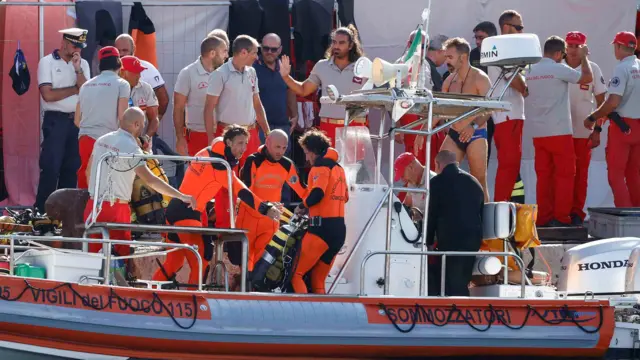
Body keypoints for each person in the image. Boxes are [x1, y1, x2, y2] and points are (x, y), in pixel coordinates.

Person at [152, 125, 282, 286]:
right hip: (186, 213)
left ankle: (147, 295)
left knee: (174, 263)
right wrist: (266, 208)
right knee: (201, 263)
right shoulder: (219, 165)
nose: (244, 148)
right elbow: (241, 190)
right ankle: (194, 303)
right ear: (228, 142)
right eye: (240, 143)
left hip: (177, 210)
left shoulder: (210, 153)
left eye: (246, 143)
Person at [83, 107, 195, 259]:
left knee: (91, 259)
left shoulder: (102, 140)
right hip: (117, 208)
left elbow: (88, 171)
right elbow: (150, 179)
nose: (144, 129)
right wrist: (181, 196)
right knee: (121, 259)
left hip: (93, 205)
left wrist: (95, 194)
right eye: (143, 125)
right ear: (136, 124)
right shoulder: (131, 147)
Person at [203, 35, 271, 231]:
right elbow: (208, 108)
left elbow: (257, 105)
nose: (257, 56)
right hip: (227, 136)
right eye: (254, 52)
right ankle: (226, 227)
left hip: (250, 134)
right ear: (243, 52)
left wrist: (267, 133)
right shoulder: (220, 74)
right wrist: (211, 140)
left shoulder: (252, 73)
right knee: (226, 184)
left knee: (252, 180)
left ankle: (250, 224)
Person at [525, 36, 592, 227]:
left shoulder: (531, 70)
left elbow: (525, 91)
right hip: (559, 130)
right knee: (565, 175)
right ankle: (561, 217)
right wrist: (585, 57)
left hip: (538, 132)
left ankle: (544, 217)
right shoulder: (558, 68)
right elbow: (587, 78)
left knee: (543, 176)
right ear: (557, 53)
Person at [418, 37, 491, 202]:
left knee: (479, 180)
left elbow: (489, 109)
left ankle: (486, 224)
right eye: (446, 57)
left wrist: (473, 125)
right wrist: (422, 131)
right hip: (455, 133)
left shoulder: (480, 78)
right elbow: (441, 110)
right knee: (441, 177)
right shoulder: (449, 80)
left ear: (463, 57)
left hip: (476, 134)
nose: (446, 62)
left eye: (450, 57)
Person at [279, 25, 367, 145]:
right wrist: (286, 77)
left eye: (341, 43)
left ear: (351, 45)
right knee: (326, 163)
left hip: (355, 127)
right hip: (328, 127)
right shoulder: (321, 66)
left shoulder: (364, 66)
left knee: (353, 164)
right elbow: (303, 90)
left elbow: (380, 90)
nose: (336, 46)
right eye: (334, 42)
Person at [34, 28, 91, 212]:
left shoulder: (82, 64)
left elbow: (86, 91)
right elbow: (48, 95)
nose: (78, 50)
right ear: (64, 42)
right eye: (75, 45)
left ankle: (65, 214)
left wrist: (77, 69)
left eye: (80, 47)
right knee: (51, 167)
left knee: (71, 168)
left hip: (76, 121)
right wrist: (74, 89)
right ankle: (42, 211)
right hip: (55, 120)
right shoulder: (47, 62)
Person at [583, 31, 640, 207]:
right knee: (634, 174)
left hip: (623, 128)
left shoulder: (622, 69)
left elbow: (612, 102)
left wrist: (592, 116)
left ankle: (625, 215)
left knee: (616, 174)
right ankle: (637, 216)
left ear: (618, 47)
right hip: (637, 127)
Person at [238, 129, 307, 270]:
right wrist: (265, 205)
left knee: (262, 264)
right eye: (277, 147)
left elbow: (302, 190)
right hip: (249, 218)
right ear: (267, 142)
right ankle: (244, 287)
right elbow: (246, 191)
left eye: (284, 148)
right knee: (244, 262)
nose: (280, 152)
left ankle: (256, 288)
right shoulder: (253, 160)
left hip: (270, 221)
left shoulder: (286, 164)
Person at [291, 130, 348, 294]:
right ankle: (323, 316)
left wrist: (302, 206)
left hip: (320, 230)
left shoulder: (319, 168)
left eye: (307, 153)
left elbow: (317, 194)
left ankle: (304, 315)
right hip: (339, 231)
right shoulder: (339, 169)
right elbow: (345, 197)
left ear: (313, 151)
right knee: (318, 279)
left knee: (296, 274)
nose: (306, 158)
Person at [426, 150, 484, 296]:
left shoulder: (436, 183)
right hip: (472, 240)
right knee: (463, 279)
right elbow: (481, 212)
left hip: (451, 240)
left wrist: (428, 241)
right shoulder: (474, 182)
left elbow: (431, 214)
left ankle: (458, 313)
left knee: (452, 282)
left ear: (438, 164)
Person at [563, 32, 606, 225]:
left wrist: (597, 130)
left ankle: (576, 213)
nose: (572, 49)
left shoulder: (593, 69)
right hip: (559, 131)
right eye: (570, 45)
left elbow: (601, 102)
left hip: (582, 133)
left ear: (584, 48)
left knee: (580, 175)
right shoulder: (558, 67)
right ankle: (560, 212)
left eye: (577, 46)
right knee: (561, 173)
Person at [75, 46, 130, 190]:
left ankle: (84, 209)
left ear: (100, 64)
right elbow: (123, 118)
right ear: (119, 62)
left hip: (85, 138)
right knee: (107, 182)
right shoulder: (122, 84)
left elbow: (77, 120)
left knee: (86, 178)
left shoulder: (86, 85)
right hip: (108, 140)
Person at [488, 10, 528, 203]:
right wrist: (525, 87)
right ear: (506, 27)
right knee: (508, 166)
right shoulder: (503, 47)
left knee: (510, 166)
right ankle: (500, 210)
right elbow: (517, 82)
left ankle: (505, 212)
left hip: (507, 114)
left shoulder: (500, 47)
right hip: (508, 114)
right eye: (518, 27)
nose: (521, 31)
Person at [174, 36, 229, 157]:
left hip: (223, 134)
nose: (227, 55)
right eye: (224, 51)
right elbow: (178, 108)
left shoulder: (225, 72)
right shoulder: (188, 73)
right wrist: (180, 138)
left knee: (222, 174)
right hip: (197, 135)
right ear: (212, 53)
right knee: (199, 173)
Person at [254, 33, 299, 143]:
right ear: (260, 47)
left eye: (273, 49)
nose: (269, 52)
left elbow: (291, 92)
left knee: (283, 159)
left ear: (280, 50)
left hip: (282, 125)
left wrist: (295, 115)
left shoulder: (285, 67)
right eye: (266, 48)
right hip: (259, 126)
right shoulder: (252, 68)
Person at [115, 34, 169, 122]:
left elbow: (163, 99)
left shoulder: (148, 68)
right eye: (118, 51)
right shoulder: (111, 70)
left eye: (125, 50)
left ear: (134, 50)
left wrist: (152, 123)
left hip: (141, 131)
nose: (121, 54)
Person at [120, 56, 159, 140]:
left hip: (142, 143)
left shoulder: (146, 88)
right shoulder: (114, 89)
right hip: (119, 142)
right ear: (123, 72)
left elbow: (154, 119)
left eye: (139, 72)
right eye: (135, 72)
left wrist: (146, 137)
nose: (139, 76)